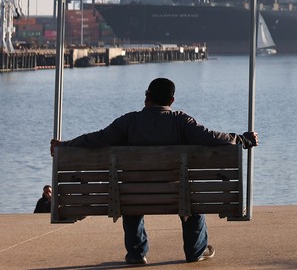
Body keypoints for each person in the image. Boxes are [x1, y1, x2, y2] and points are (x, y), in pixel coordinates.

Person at [50, 77, 258, 265]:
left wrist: (64, 146)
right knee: (192, 197)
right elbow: (212, 138)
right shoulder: (181, 121)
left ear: (147, 97)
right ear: (172, 100)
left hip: (135, 195)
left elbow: (96, 139)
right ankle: (196, 250)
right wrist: (242, 139)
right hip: (176, 194)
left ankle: (137, 253)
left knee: (129, 193)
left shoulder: (128, 122)